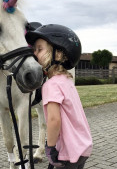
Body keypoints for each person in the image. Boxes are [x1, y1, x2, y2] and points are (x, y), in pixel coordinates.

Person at [25, 24, 93, 169]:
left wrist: (49, 147)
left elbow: (54, 119)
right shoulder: (67, 80)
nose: (35, 54)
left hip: (68, 153)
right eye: (34, 49)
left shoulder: (51, 85)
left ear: (58, 54)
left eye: (40, 49)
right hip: (82, 148)